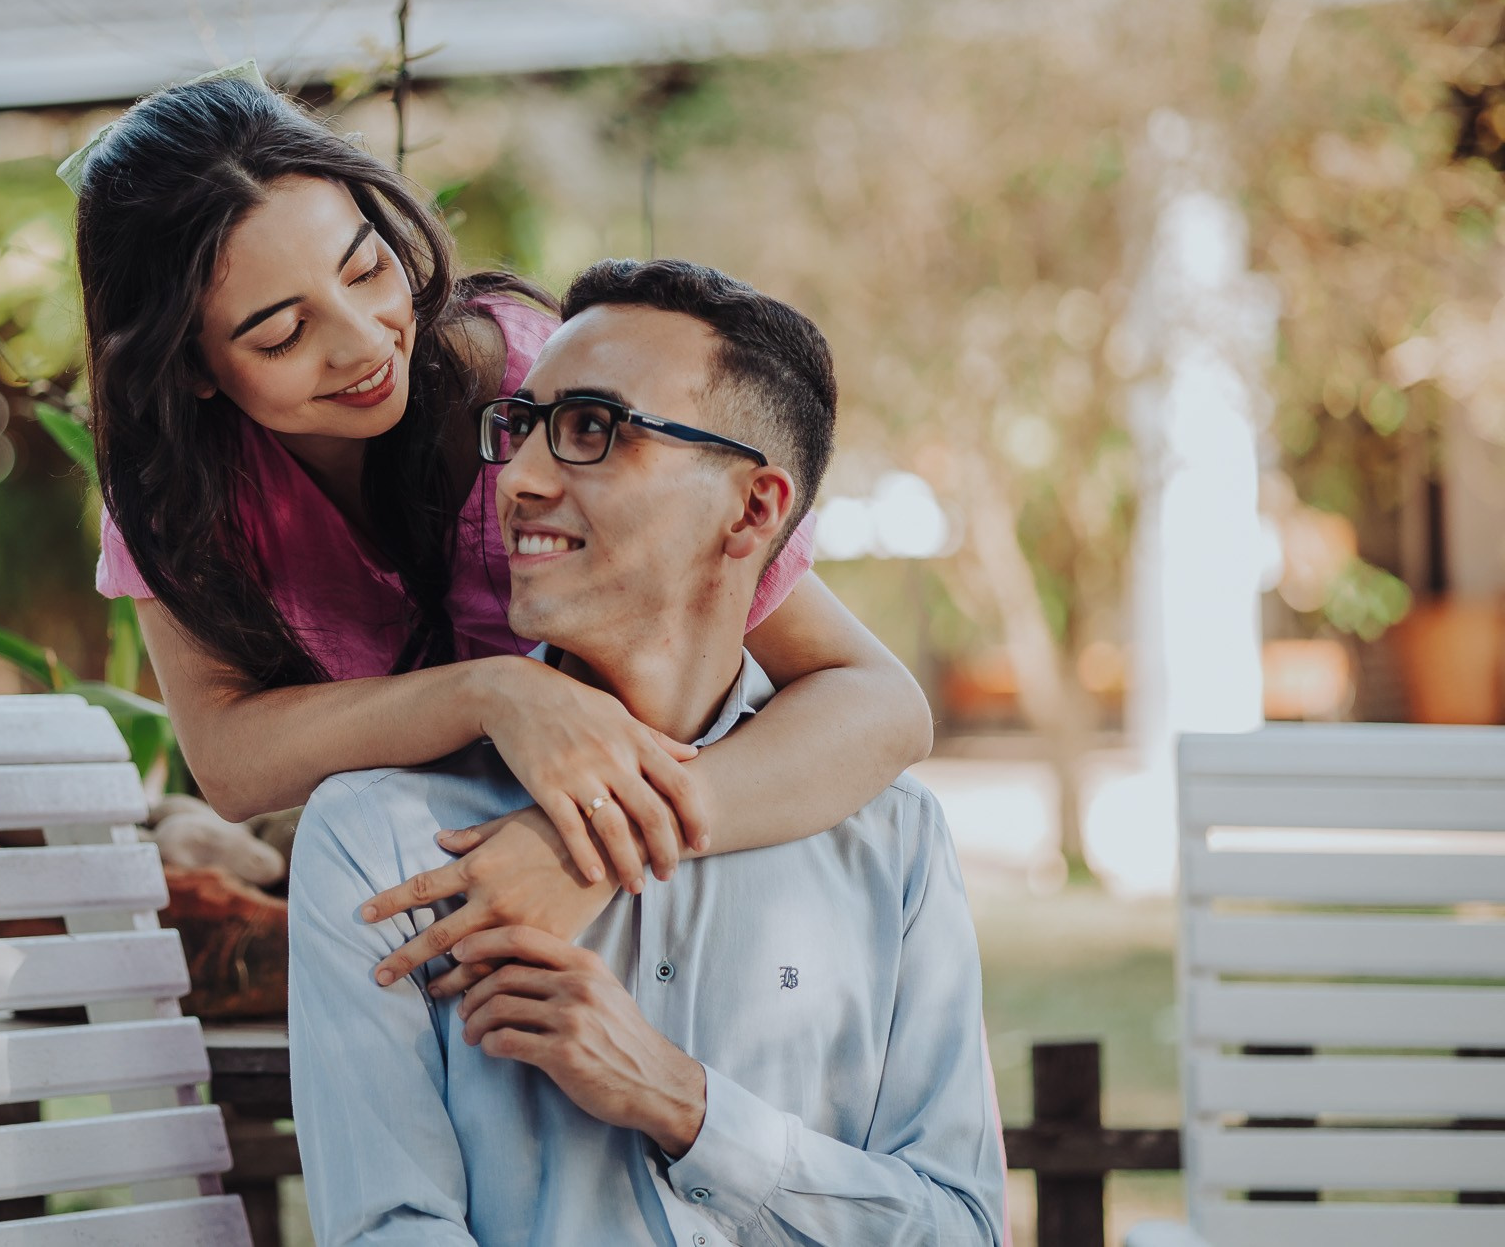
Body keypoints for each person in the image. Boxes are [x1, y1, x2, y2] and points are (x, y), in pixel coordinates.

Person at [68, 67, 933, 987]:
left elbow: (878, 701)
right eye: (281, 334)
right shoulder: (179, 499)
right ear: (189, 367)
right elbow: (233, 762)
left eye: (366, 268)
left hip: (701, 886)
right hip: (428, 899)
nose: (364, 342)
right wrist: (495, 694)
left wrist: (603, 844)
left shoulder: (533, 387)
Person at [287, 259, 1005, 1245]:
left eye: (592, 431)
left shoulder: (893, 840)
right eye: (524, 426)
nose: (520, 480)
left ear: (752, 511)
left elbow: (959, 1229)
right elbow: (386, 1231)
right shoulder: (382, 843)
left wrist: (687, 1107)